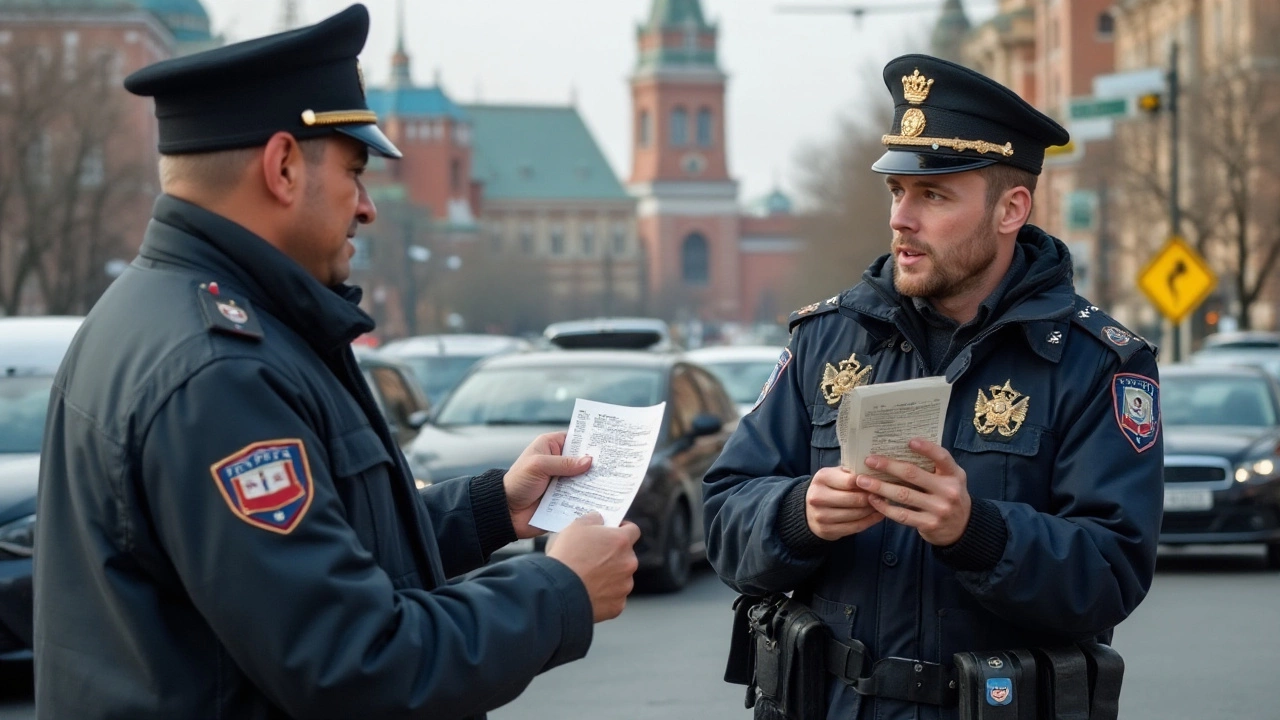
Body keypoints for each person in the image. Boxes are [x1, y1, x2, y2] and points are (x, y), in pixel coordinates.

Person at [34, 6, 640, 719]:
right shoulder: (218, 372)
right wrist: (559, 591)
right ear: (284, 166)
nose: (368, 207)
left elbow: (320, 556)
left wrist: (491, 510)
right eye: (354, 171)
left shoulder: (166, 316)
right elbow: (354, 664)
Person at [704, 53, 1164, 719]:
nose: (902, 218)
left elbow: (1112, 571)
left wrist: (977, 532)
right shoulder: (828, 338)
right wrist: (795, 516)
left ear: (1011, 209)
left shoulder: (1096, 363)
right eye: (897, 192)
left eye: (935, 195)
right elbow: (722, 513)